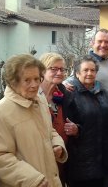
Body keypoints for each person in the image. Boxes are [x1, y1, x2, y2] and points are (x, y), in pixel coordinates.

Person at [0, 54, 67, 187]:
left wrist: (57, 145)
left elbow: (50, 130)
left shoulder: (40, 100)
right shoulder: (0, 112)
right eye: (27, 80)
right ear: (13, 81)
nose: (34, 85)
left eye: (37, 78)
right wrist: (33, 180)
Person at [63, 54, 108, 187]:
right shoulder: (70, 93)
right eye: (86, 70)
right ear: (77, 72)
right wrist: (77, 130)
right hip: (81, 161)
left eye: (93, 70)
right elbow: (66, 122)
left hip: (103, 157)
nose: (89, 73)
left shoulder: (102, 92)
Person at [64, 28, 108, 113]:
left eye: (107, 42)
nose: (103, 45)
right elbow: (71, 80)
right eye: (100, 41)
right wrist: (63, 84)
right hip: (98, 116)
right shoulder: (88, 63)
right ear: (92, 43)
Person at [39, 52, 75, 185]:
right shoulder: (33, 96)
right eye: (53, 69)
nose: (59, 72)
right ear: (42, 70)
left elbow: (78, 121)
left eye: (62, 69)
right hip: (39, 161)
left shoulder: (64, 95)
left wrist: (76, 129)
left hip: (62, 158)